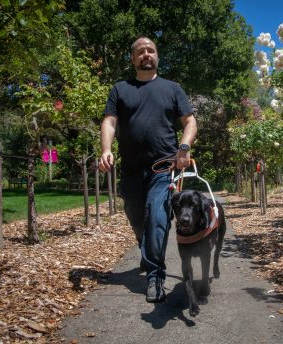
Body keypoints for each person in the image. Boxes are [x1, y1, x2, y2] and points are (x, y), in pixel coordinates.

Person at [99, 36, 197, 303]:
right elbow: (109, 122)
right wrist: (106, 149)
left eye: (151, 50)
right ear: (133, 59)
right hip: (131, 171)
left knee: (157, 218)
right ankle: (147, 249)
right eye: (140, 51)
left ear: (157, 56)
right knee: (136, 217)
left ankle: (155, 276)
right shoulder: (120, 89)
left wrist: (184, 148)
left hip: (163, 169)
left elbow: (190, 122)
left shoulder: (172, 88)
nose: (146, 54)